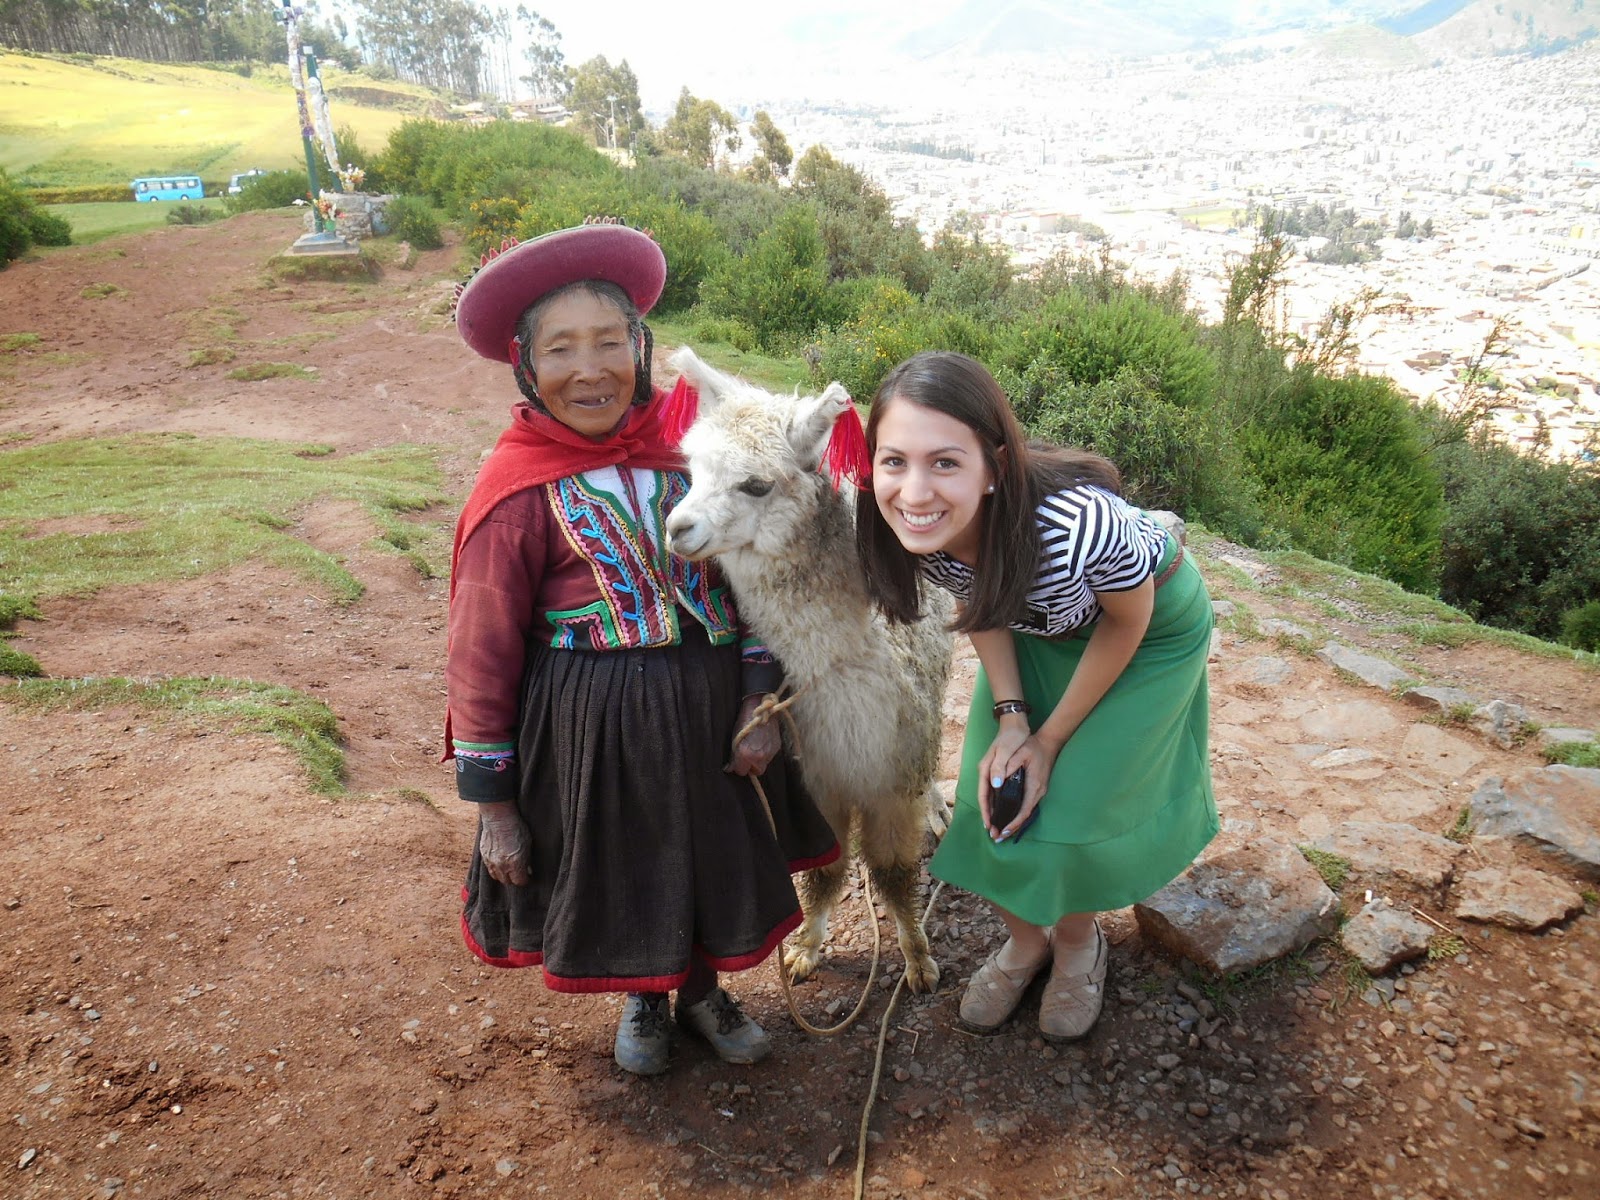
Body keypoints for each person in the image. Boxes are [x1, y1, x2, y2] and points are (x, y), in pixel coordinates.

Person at [445, 221, 839, 1076]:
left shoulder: (692, 454)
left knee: (709, 851)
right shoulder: (515, 490)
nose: (589, 369)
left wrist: (759, 697)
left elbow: (757, 578)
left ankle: (703, 992)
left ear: (640, 346)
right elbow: (481, 650)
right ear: (526, 365)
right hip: (596, 725)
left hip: (713, 706)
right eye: (560, 349)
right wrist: (496, 807)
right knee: (629, 862)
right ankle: (647, 999)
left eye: (609, 342)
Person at [854, 351, 1216, 1041]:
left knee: (1071, 803)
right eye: (894, 461)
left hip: (1142, 633)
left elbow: (1128, 621)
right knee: (994, 797)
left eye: (945, 462)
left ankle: (1079, 944)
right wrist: (1013, 720)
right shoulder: (914, 529)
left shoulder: (1078, 526)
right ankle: (1027, 944)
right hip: (1035, 624)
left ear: (994, 466)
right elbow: (983, 603)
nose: (915, 491)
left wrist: (1049, 742)